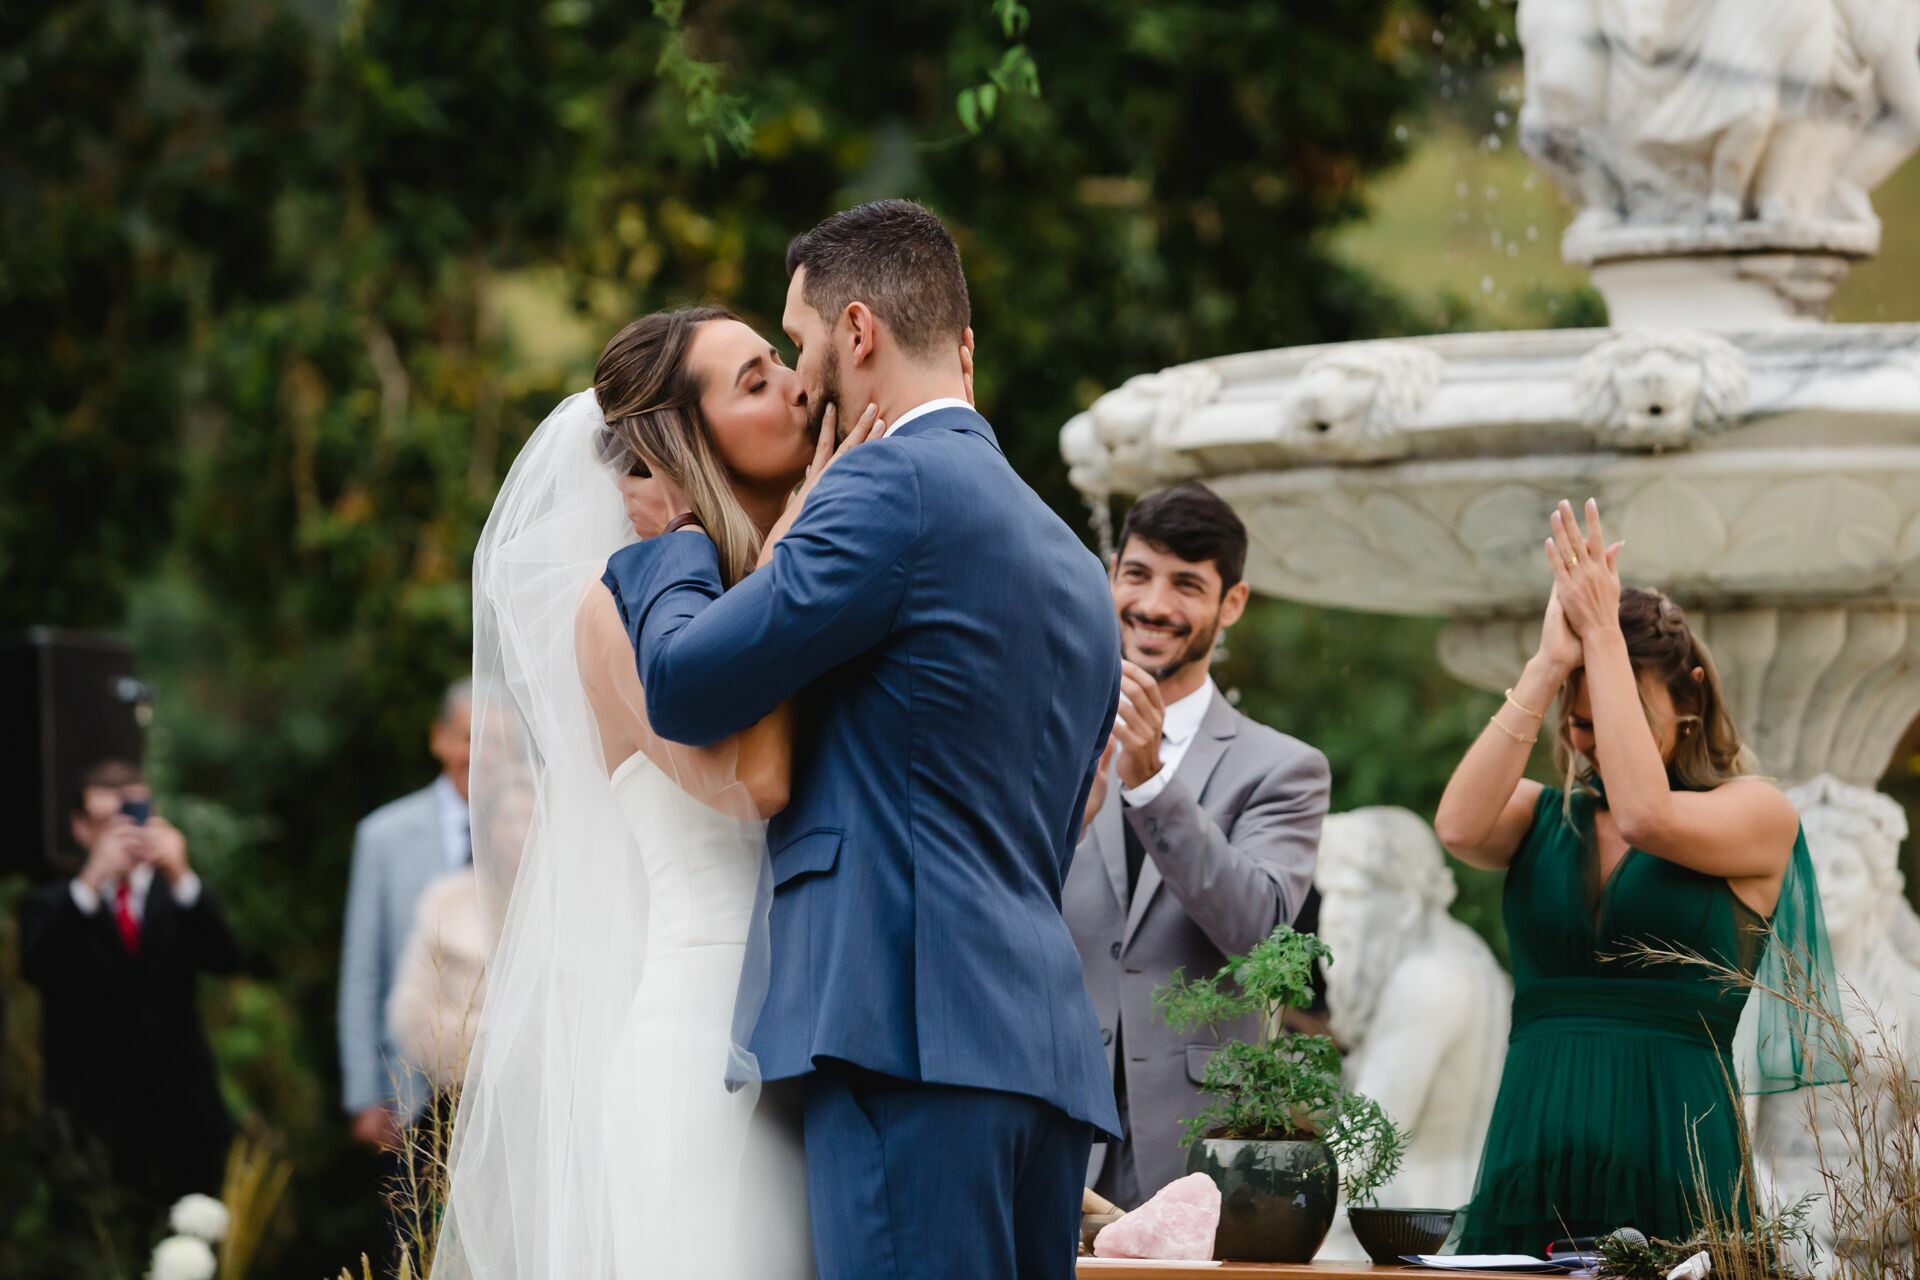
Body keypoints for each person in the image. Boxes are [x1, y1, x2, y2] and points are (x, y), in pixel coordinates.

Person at [595, 198, 1122, 1280]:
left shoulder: (885, 484)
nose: (798, 373)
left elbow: (688, 686)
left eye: (797, 341)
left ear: (859, 330)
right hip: (1044, 1056)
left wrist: (670, 548)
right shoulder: (1071, 559)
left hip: (906, 1040)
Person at [439, 280, 987, 1276]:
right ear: (687, 441)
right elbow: (755, 780)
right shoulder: (619, 609)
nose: (796, 385)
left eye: (781, 362)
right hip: (698, 1054)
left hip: (819, 1048)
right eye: (756, 380)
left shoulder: (819, 585)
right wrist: (797, 545)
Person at [1434, 499, 1843, 1252]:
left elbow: (1646, 817)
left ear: (1688, 700)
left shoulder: (1755, 814)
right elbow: (1458, 827)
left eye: (1615, 708)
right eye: (1578, 720)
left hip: (1676, 1147)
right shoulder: (1540, 818)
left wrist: (1602, 638)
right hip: (1535, 1142)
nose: (1588, 739)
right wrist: (1549, 661)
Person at [1064, 482, 1330, 1208]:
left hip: (1200, 1144)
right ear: (1112, 572)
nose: (1153, 605)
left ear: (1232, 603)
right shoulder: (1041, 732)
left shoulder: (1284, 767)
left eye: (1187, 585)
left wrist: (1151, 784)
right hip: (1051, 1118)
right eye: (1139, 575)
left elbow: (1261, 933)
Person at [18, 759, 242, 1211]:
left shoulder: (178, 896)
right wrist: (90, 881)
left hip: (183, 1121)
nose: (123, 835)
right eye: (106, 823)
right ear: (80, 828)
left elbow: (228, 959)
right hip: (90, 1124)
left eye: (134, 819)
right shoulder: (51, 904)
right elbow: (38, 967)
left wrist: (181, 875)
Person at [1312, 807, 1509, 1260]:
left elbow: (1362, 1150)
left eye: (1351, 894)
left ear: (1403, 901)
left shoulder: (1425, 981)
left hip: (1407, 1231)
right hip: (1423, 1220)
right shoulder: (1463, 955)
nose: (1332, 917)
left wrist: (1268, 1179)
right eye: (1329, 896)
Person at [338, 680, 473, 1152]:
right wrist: (366, 1094)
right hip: (411, 1093)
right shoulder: (384, 836)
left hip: (505, 1091)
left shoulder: (532, 830)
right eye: (468, 738)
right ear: (439, 739)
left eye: (496, 743)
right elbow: (363, 969)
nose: (479, 755)